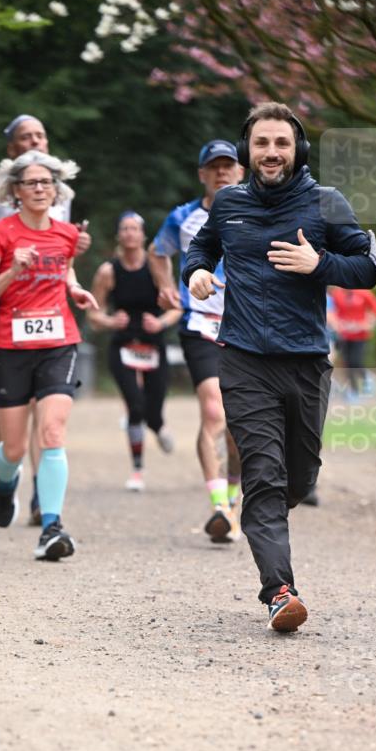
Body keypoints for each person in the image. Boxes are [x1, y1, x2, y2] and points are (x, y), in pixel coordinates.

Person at [183, 102, 376, 632]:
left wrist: (321, 264)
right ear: (247, 151)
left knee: (299, 476)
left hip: (306, 361)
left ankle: (265, 514)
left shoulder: (326, 203)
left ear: (299, 150)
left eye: (282, 143)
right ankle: (279, 592)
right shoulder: (228, 203)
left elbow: (368, 269)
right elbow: (200, 249)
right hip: (244, 359)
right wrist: (196, 272)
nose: (271, 152)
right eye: (262, 143)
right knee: (264, 475)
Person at [0, 150, 98, 560]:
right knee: (12, 449)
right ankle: (5, 484)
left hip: (59, 342)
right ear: (17, 190)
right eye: (32, 182)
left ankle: (51, 528)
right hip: (10, 349)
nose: (41, 188)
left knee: (52, 433)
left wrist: (76, 290)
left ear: (56, 189)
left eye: (47, 182)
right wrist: (12, 270)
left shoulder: (66, 234)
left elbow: (67, 272)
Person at [149, 140, 243, 542]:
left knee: (238, 425)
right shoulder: (183, 217)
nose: (221, 172)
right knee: (213, 411)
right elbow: (157, 252)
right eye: (214, 167)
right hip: (200, 324)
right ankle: (218, 506)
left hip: (245, 327)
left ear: (241, 171)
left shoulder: (257, 211)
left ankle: (233, 501)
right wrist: (167, 286)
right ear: (202, 174)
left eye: (228, 165)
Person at [88, 212, 180, 491]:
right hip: (123, 346)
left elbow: (177, 308)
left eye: (134, 229)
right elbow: (93, 314)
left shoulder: (156, 267)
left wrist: (160, 322)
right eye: (124, 228)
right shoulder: (108, 271)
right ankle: (137, 470)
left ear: (142, 235)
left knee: (153, 411)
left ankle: (159, 426)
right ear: (119, 235)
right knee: (135, 406)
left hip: (153, 343)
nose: (129, 233)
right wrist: (110, 321)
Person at [330, 286, 376, 400]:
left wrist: (367, 324)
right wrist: (339, 324)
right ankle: (353, 392)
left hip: (360, 335)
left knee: (355, 361)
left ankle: (367, 377)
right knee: (347, 364)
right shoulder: (336, 294)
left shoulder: (363, 293)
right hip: (344, 335)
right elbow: (332, 312)